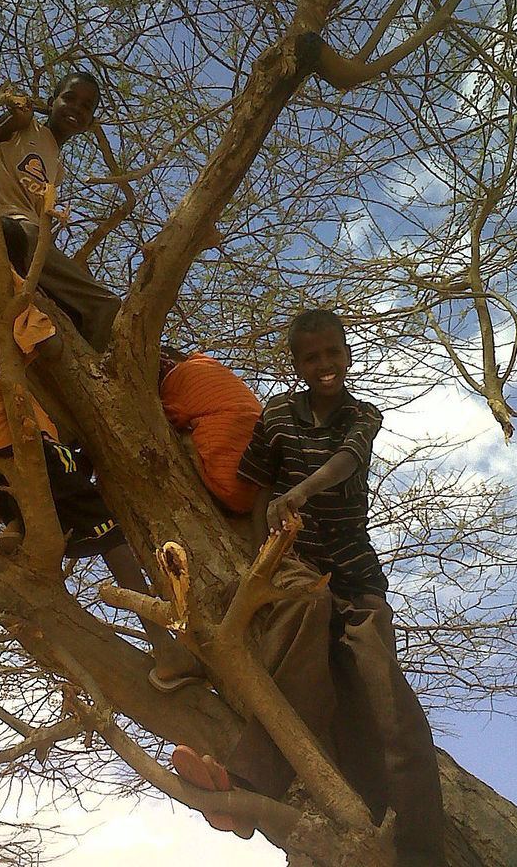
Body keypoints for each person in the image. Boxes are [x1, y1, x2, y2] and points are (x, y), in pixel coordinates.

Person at [0, 218, 202, 693]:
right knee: (105, 526)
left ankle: (18, 524)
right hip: (13, 437)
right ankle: (169, 650)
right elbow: (47, 346)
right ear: (21, 261)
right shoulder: (8, 290)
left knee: (31, 508)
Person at [172, 310, 446, 867]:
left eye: (331, 354)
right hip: (297, 563)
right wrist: (260, 558)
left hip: (357, 574)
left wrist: (300, 492)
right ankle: (245, 784)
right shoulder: (275, 414)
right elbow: (253, 486)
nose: (324, 366)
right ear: (296, 365)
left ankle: (419, 851)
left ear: (346, 355)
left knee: (387, 710)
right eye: (310, 358)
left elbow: (346, 462)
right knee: (305, 620)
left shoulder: (362, 414)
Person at [0, 70, 120, 351]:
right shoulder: (22, 126)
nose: (76, 108)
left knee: (77, 314)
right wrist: (10, 125)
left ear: (90, 123)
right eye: (69, 98)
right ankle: (91, 372)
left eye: (87, 107)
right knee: (106, 305)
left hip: (30, 240)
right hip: (6, 227)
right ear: (52, 101)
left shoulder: (57, 168)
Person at [159, 348, 261, 514]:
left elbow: (168, 417)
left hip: (231, 487)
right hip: (261, 479)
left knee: (171, 430)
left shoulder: (175, 381)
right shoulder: (209, 367)